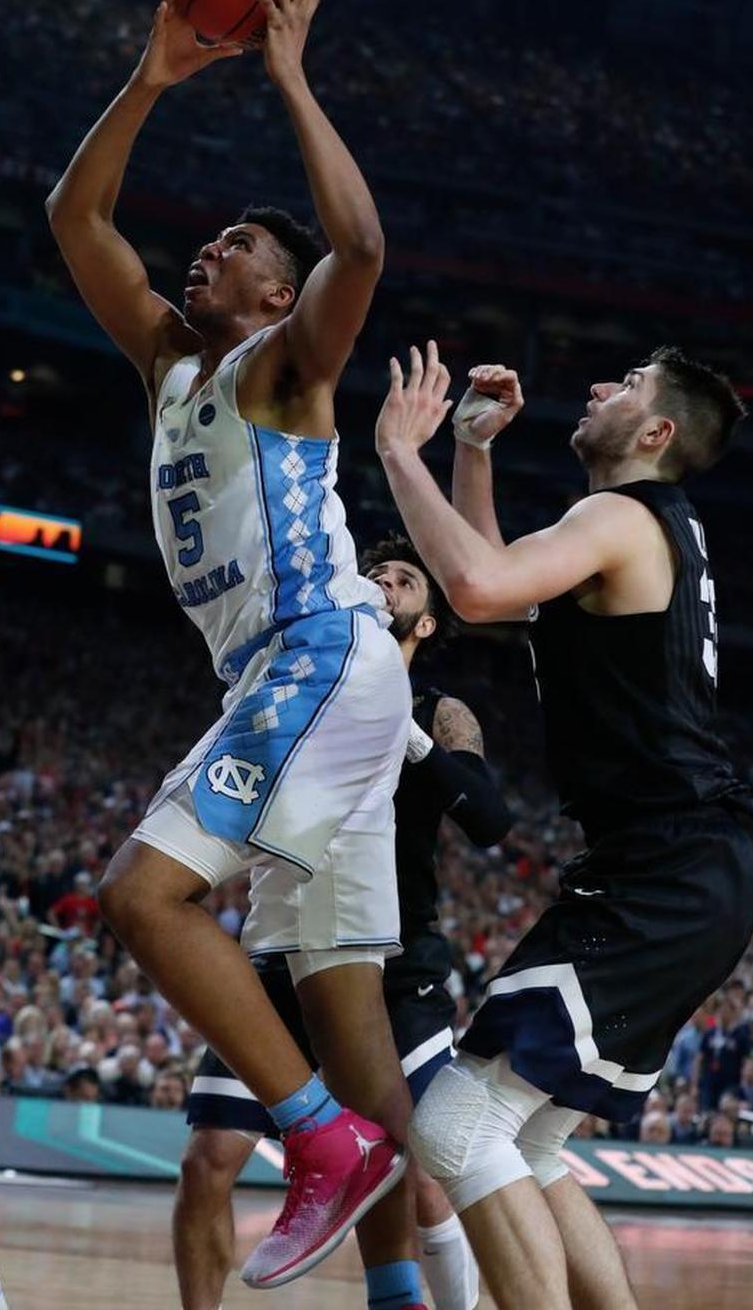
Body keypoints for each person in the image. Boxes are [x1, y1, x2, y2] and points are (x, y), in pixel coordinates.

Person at [47, 0, 411, 1287]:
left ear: (280, 297)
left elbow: (360, 250)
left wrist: (291, 79)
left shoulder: (287, 366)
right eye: (215, 240)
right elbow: (76, 218)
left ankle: (316, 1141)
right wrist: (150, 77)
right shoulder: (168, 363)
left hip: (319, 651)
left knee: (148, 899)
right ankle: (410, 1272)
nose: (212, 248)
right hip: (293, 681)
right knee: (344, 1007)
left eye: (243, 249)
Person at [374, 342, 753, 1310]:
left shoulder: (620, 514)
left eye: (625, 385)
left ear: (655, 431)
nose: (598, 387)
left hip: (665, 867)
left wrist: (398, 450)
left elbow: (474, 589)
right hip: (681, 868)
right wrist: (473, 451)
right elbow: (501, 574)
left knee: (457, 1130)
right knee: (532, 1141)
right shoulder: (642, 525)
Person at [174, 536, 511, 1310]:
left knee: (422, 1164)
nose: (384, 584)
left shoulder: (441, 712)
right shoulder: (303, 681)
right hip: (281, 942)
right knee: (207, 1160)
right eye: (375, 574)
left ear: (427, 624)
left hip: (394, 954)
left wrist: (408, 727)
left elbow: (489, 820)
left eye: (403, 580)